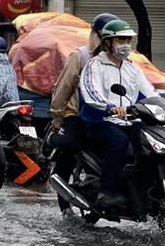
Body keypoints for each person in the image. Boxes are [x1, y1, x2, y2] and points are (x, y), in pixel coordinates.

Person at [79, 19, 163, 213]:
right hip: (99, 120)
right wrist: (109, 107)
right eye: (120, 40)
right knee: (119, 142)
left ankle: (145, 191)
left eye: (127, 40)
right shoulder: (94, 66)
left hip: (129, 121)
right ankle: (106, 192)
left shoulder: (131, 68)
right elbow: (91, 92)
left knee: (151, 144)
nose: (125, 45)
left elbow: (149, 92)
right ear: (108, 42)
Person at [48, 13, 119, 176]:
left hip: (107, 115)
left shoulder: (120, 59)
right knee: (73, 144)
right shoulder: (81, 56)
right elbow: (64, 87)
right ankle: (54, 141)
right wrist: (57, 117)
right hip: (78, 114)